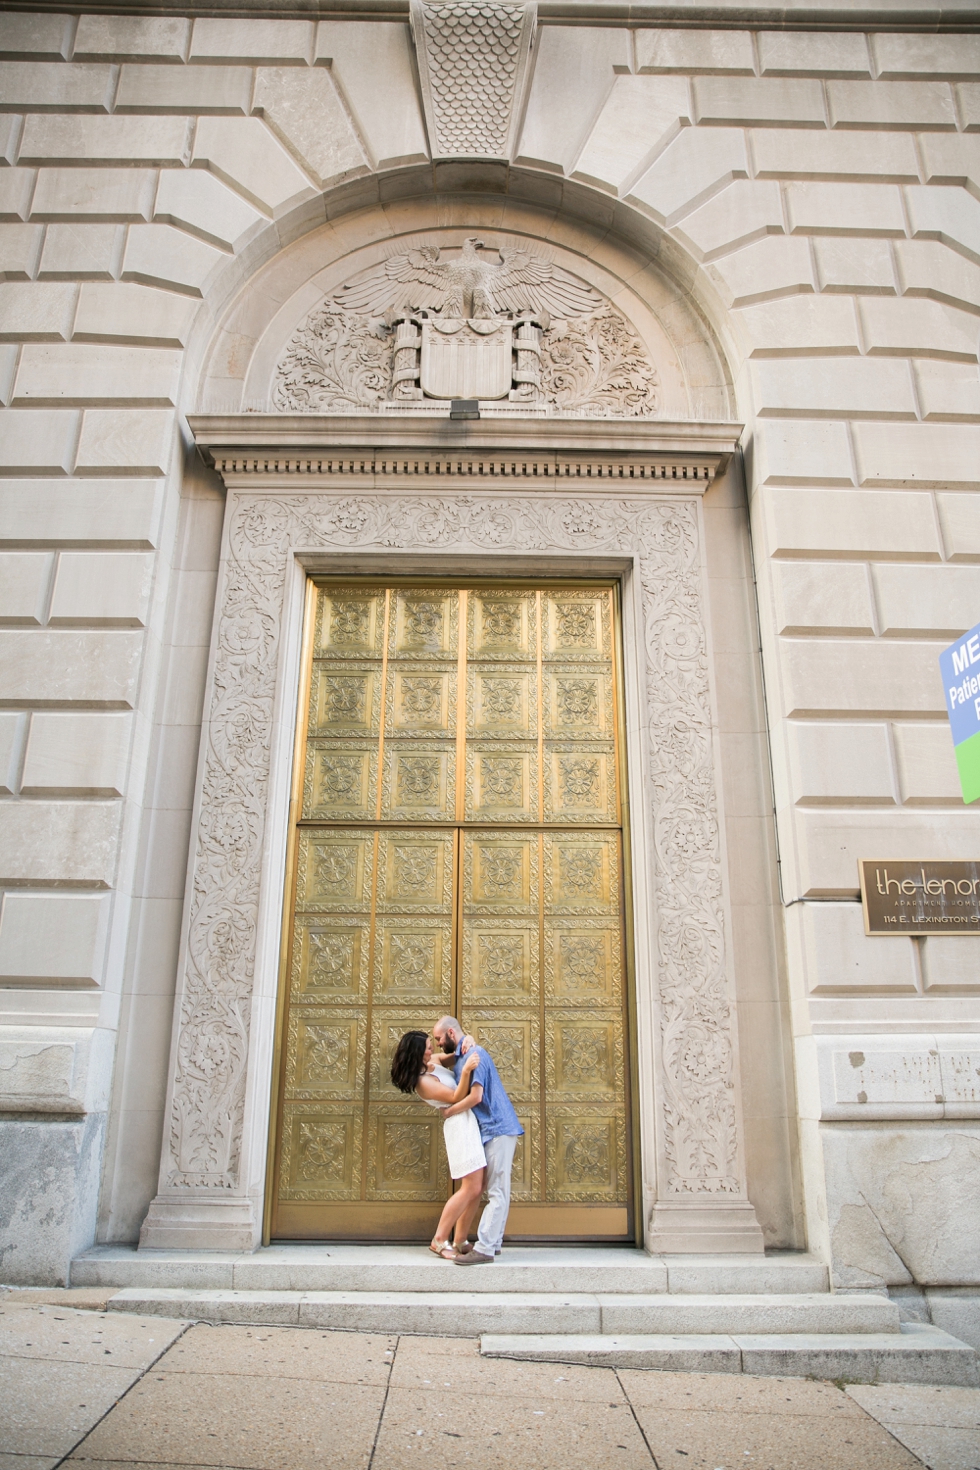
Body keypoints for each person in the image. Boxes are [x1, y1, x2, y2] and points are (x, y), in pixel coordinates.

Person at [432, 1015, 524, 1266]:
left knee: (497, 1191)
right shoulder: (462, 1057)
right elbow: (438, 1063)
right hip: (488, 1131)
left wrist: (450, 1111)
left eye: (439, 1038)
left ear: (451, 1033)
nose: (438, 1043)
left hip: (499, 1128)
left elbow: (476, 1096)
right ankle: (493, 1244)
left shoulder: (476, 1054)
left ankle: (484, 1248)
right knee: (496, 1190)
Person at [389, 1030, 484, 1260]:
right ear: (416, 1052)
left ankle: (460, 1239)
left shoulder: (433, 1062)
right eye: (428, 1047)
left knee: (477, 1188)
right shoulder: (423, 1083)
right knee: (470, 1187)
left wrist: (467, 1040)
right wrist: (468, 1072)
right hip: (458, 1126)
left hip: (468, 1121)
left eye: (432, 1045)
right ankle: (439, 1239)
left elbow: (455, 1056)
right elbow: (455, 1097)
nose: (433, 1050)